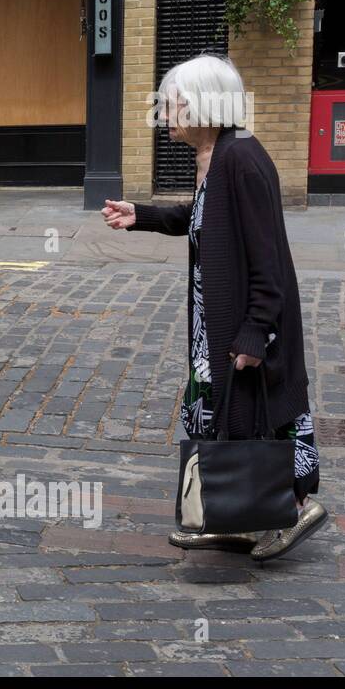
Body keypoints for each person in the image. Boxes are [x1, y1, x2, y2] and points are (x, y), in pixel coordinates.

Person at [102, 54, 325, 562]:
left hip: (247, 326)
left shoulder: (242, 159)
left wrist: (253, 333)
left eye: (173, 102)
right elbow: (202, 220)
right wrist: (144, 215)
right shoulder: (214, 154)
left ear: (205, 103)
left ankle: (295, 506)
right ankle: (232, 517)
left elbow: (270, 260)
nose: (165, 113)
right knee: (217, 416)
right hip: (214, 327)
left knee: (265, 416)